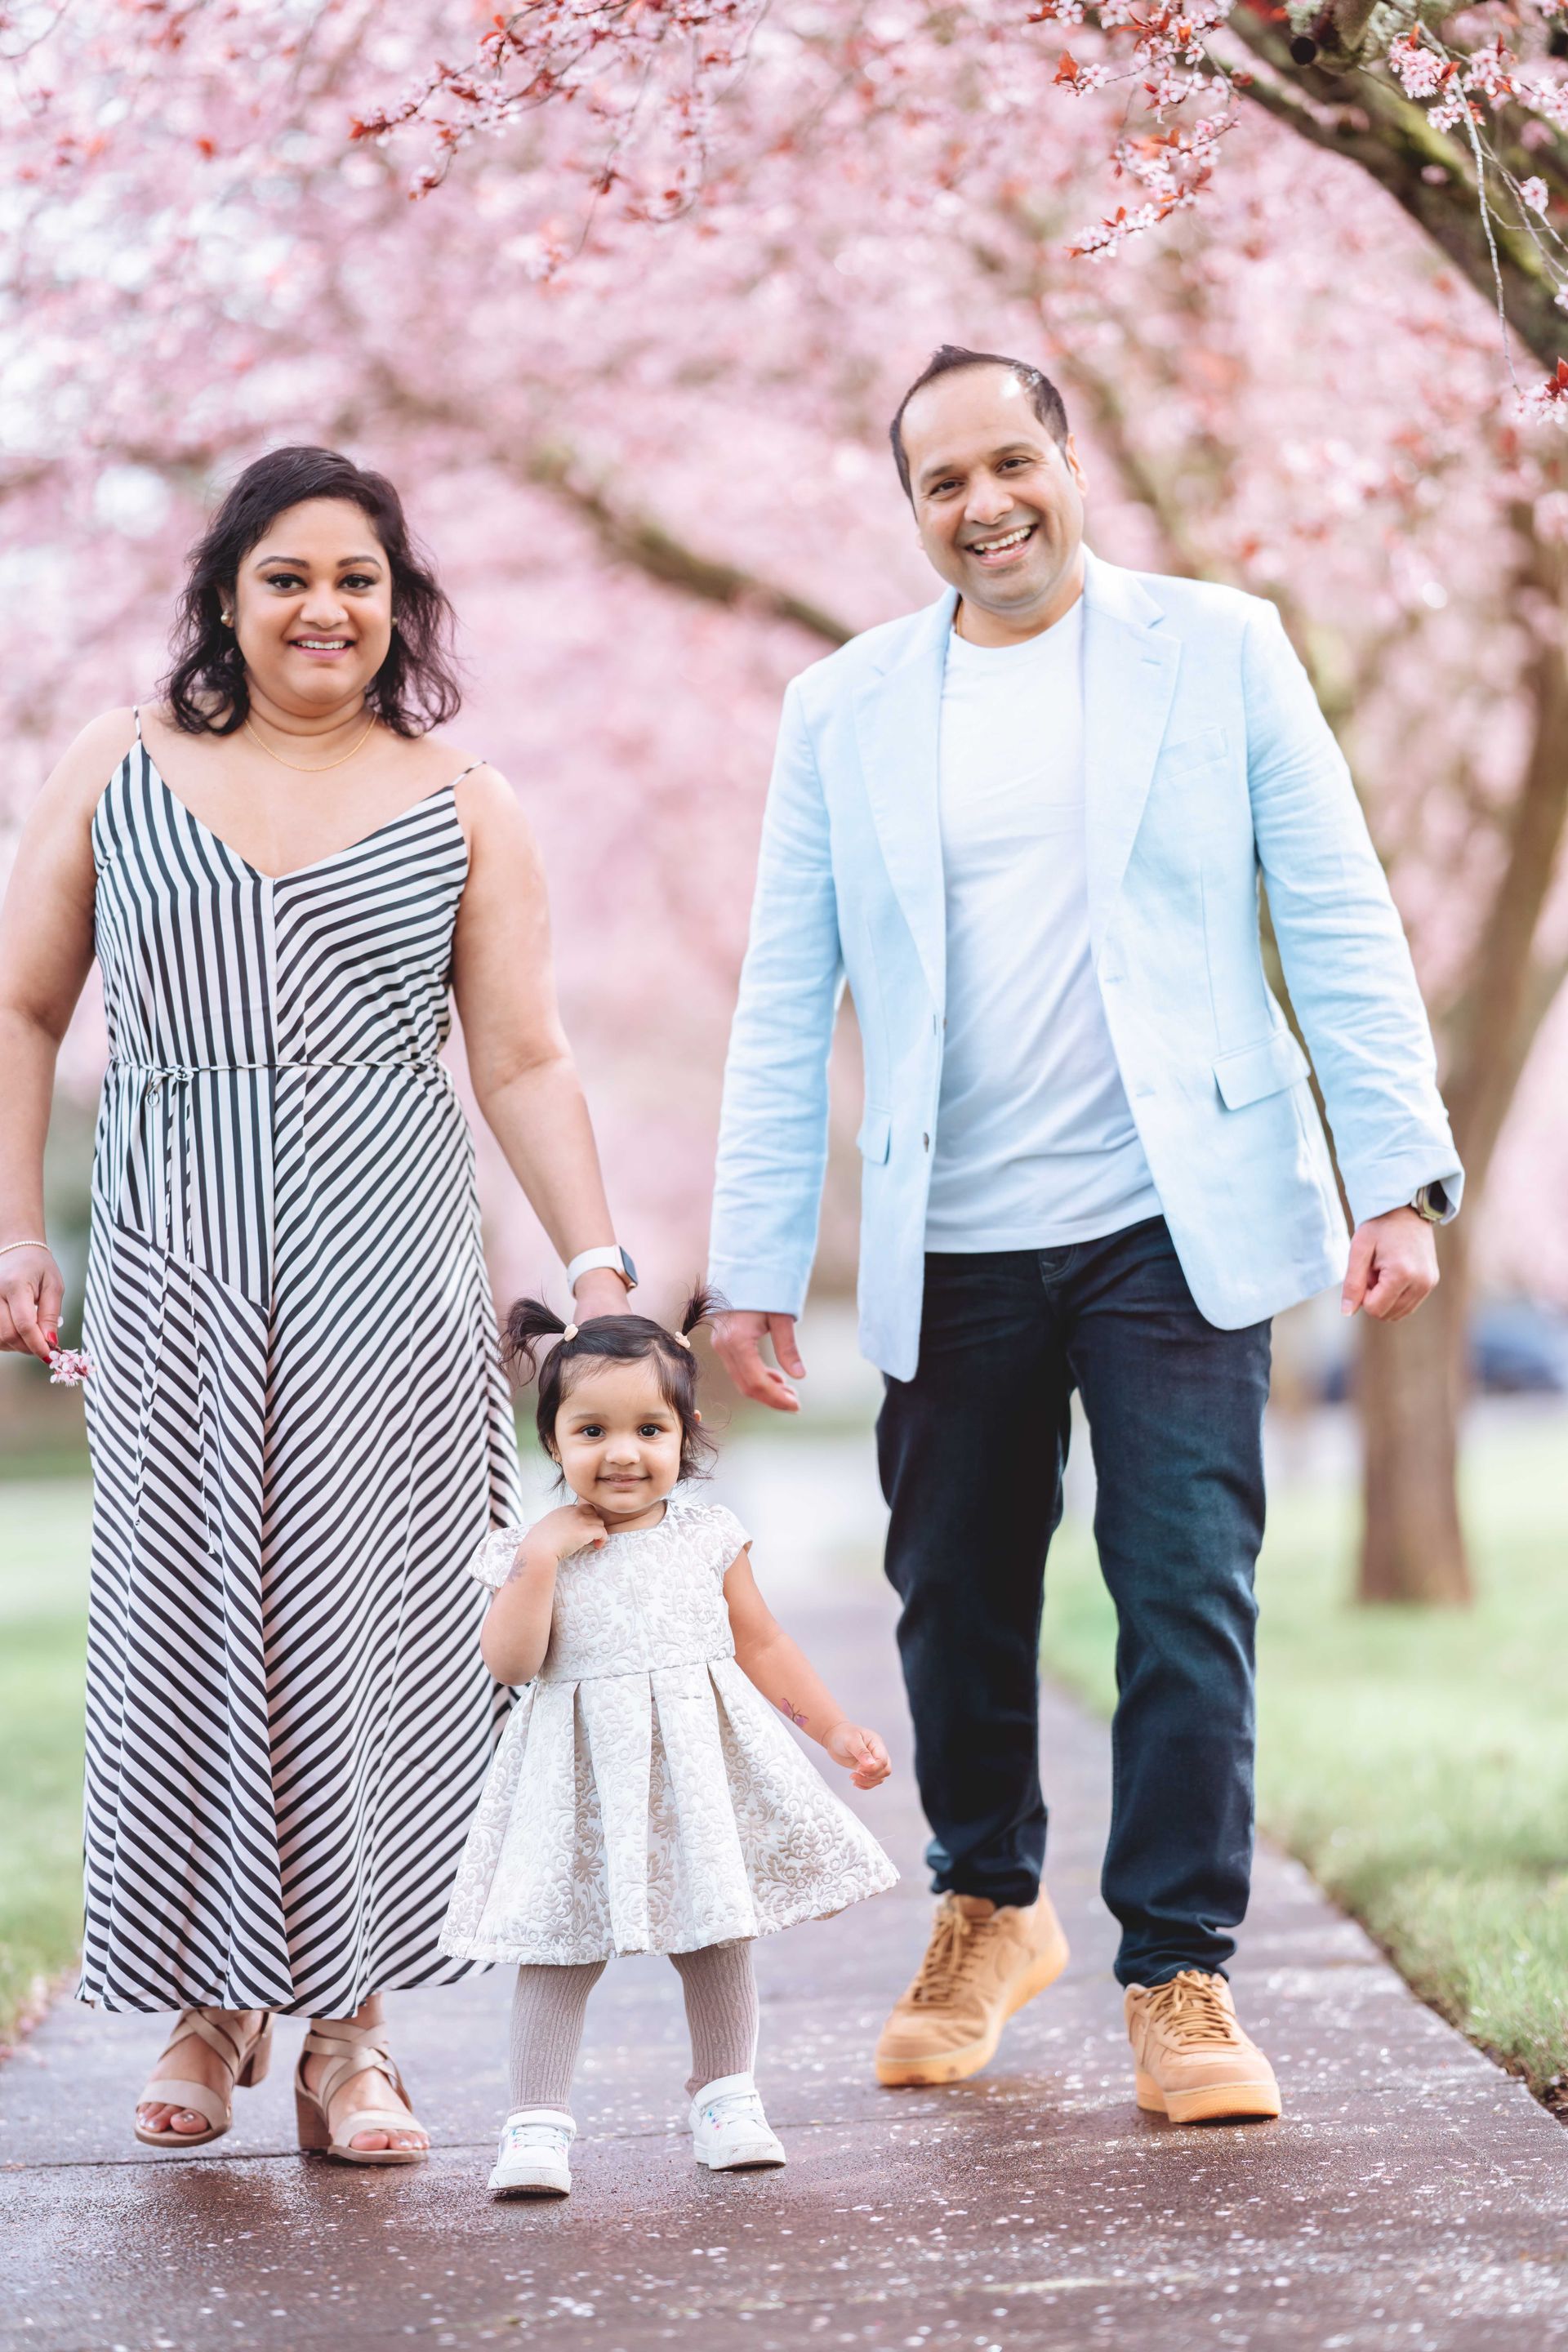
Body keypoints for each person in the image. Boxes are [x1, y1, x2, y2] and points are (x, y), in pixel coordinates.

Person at [708, 345, 1463, 2126]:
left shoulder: (1220, 645)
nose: (985, 506)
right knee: (955, 1593)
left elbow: (1337, 911)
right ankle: (988, 1902)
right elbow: (781, 994)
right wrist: (749, 1258)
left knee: (1183, 1581)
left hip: (1169, 1214)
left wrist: (1394, 1174)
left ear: (1069, 459)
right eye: (941, 483)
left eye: (1010, 462)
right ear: (911, 510)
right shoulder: (846, 707)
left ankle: (1180, 1969)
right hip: (951, 1227)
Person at [0, 446, 640, 2163]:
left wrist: (596, 1271)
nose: (322, 608)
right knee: (194, 1619)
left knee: (373, 1632)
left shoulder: (462, 799)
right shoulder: (114, 768)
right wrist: (14, 1233)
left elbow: (522, 1054)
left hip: (390, 1266)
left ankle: (354, 2033)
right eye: (286, 575)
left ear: (398, 605)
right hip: (175, 1257)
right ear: (226, 592)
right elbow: (20, 1009)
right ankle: (211, 2012)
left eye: (357, 578)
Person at [439, 1288, 896, 2198]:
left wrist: (834, 1729)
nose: (622, 1453)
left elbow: (762, 1644)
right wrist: (540, 1561)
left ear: (685, 1437)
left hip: (696, 1766)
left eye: (650, 1429)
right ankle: (536, 2122)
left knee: (718, 1930)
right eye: (593, 1430)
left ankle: (725, 2096)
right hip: (576, 1778)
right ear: (555, 1441)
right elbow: (511, 1663)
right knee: (558, 1945)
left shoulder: (708, 1536)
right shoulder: (534, 1547)